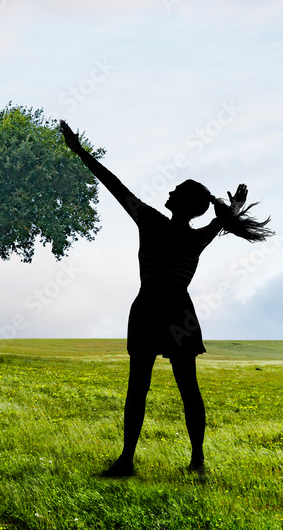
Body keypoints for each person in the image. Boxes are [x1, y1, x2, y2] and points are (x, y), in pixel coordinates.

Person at [60, 120, 272, 477]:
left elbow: (114, 185)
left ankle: (127, 461)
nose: (170, 191)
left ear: (182, 202)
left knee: (137, 389)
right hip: (180, 313)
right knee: (188, 387)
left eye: (176, 190)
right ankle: (198, 461)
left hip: (148, 310)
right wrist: (233, 208)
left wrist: (79, 151)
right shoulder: (197, 238)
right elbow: (222, 222)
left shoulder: (151, 221)